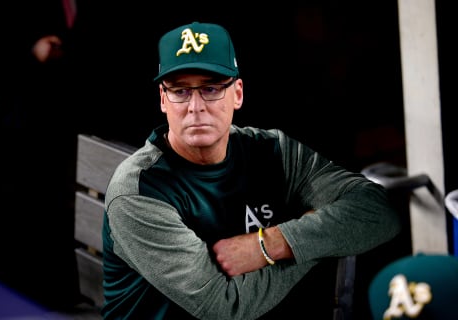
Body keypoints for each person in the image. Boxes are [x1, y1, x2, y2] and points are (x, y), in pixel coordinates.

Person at [101, 21, 401, 319]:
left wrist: (272, 244)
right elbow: (224, 307)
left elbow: (378, 211)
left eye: (211, 88)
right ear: (163, 100)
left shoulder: (273, 152)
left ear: (238, 94)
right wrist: (319, 237)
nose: (195, 106)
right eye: (180, 91)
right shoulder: (140, 192)